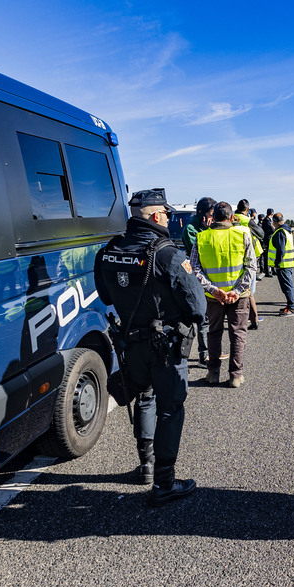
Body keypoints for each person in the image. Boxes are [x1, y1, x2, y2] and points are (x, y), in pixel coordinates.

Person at [95, 189, 206, 506]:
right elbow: (197, 307)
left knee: (144, 396)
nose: (169, 219)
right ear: (156, 216)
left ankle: (145, 466)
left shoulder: (108, 251)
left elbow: (106, 297)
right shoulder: (169, 254)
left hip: (131, 343)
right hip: (166, 345)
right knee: (170, 410)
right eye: (167, 214)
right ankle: (164, 483)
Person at [192, 201, 257, 388]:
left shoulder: (201, 237)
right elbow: (251, 266)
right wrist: (236, 291)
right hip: (240, 296)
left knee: (214, 332)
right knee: (237, 334)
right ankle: (235, 376)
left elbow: (195, 268)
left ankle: (213, 373)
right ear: (231, 217)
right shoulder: (243, 234)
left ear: (213, 217)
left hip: (214, 298)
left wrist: (213, 290)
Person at [183, 196, 216, 366]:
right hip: (198, 279)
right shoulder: (191, 228)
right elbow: (201, 251)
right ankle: (204, 355)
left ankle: (211, 351)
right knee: (203, 319)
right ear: (203, 214)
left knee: (211, 318)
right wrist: (207, 231)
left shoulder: (207, 226)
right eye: (211, 214)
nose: (213, 218)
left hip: (212, 277)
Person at [268, 213, 294, 314]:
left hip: (283, 264)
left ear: (275, 222)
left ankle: (292, 308)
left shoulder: (280, 232)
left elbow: (280, 250)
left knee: (287, 286)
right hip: (287, 263)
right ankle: (290, 305)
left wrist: (277, 263)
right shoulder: (287, 231)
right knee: (288, 285)